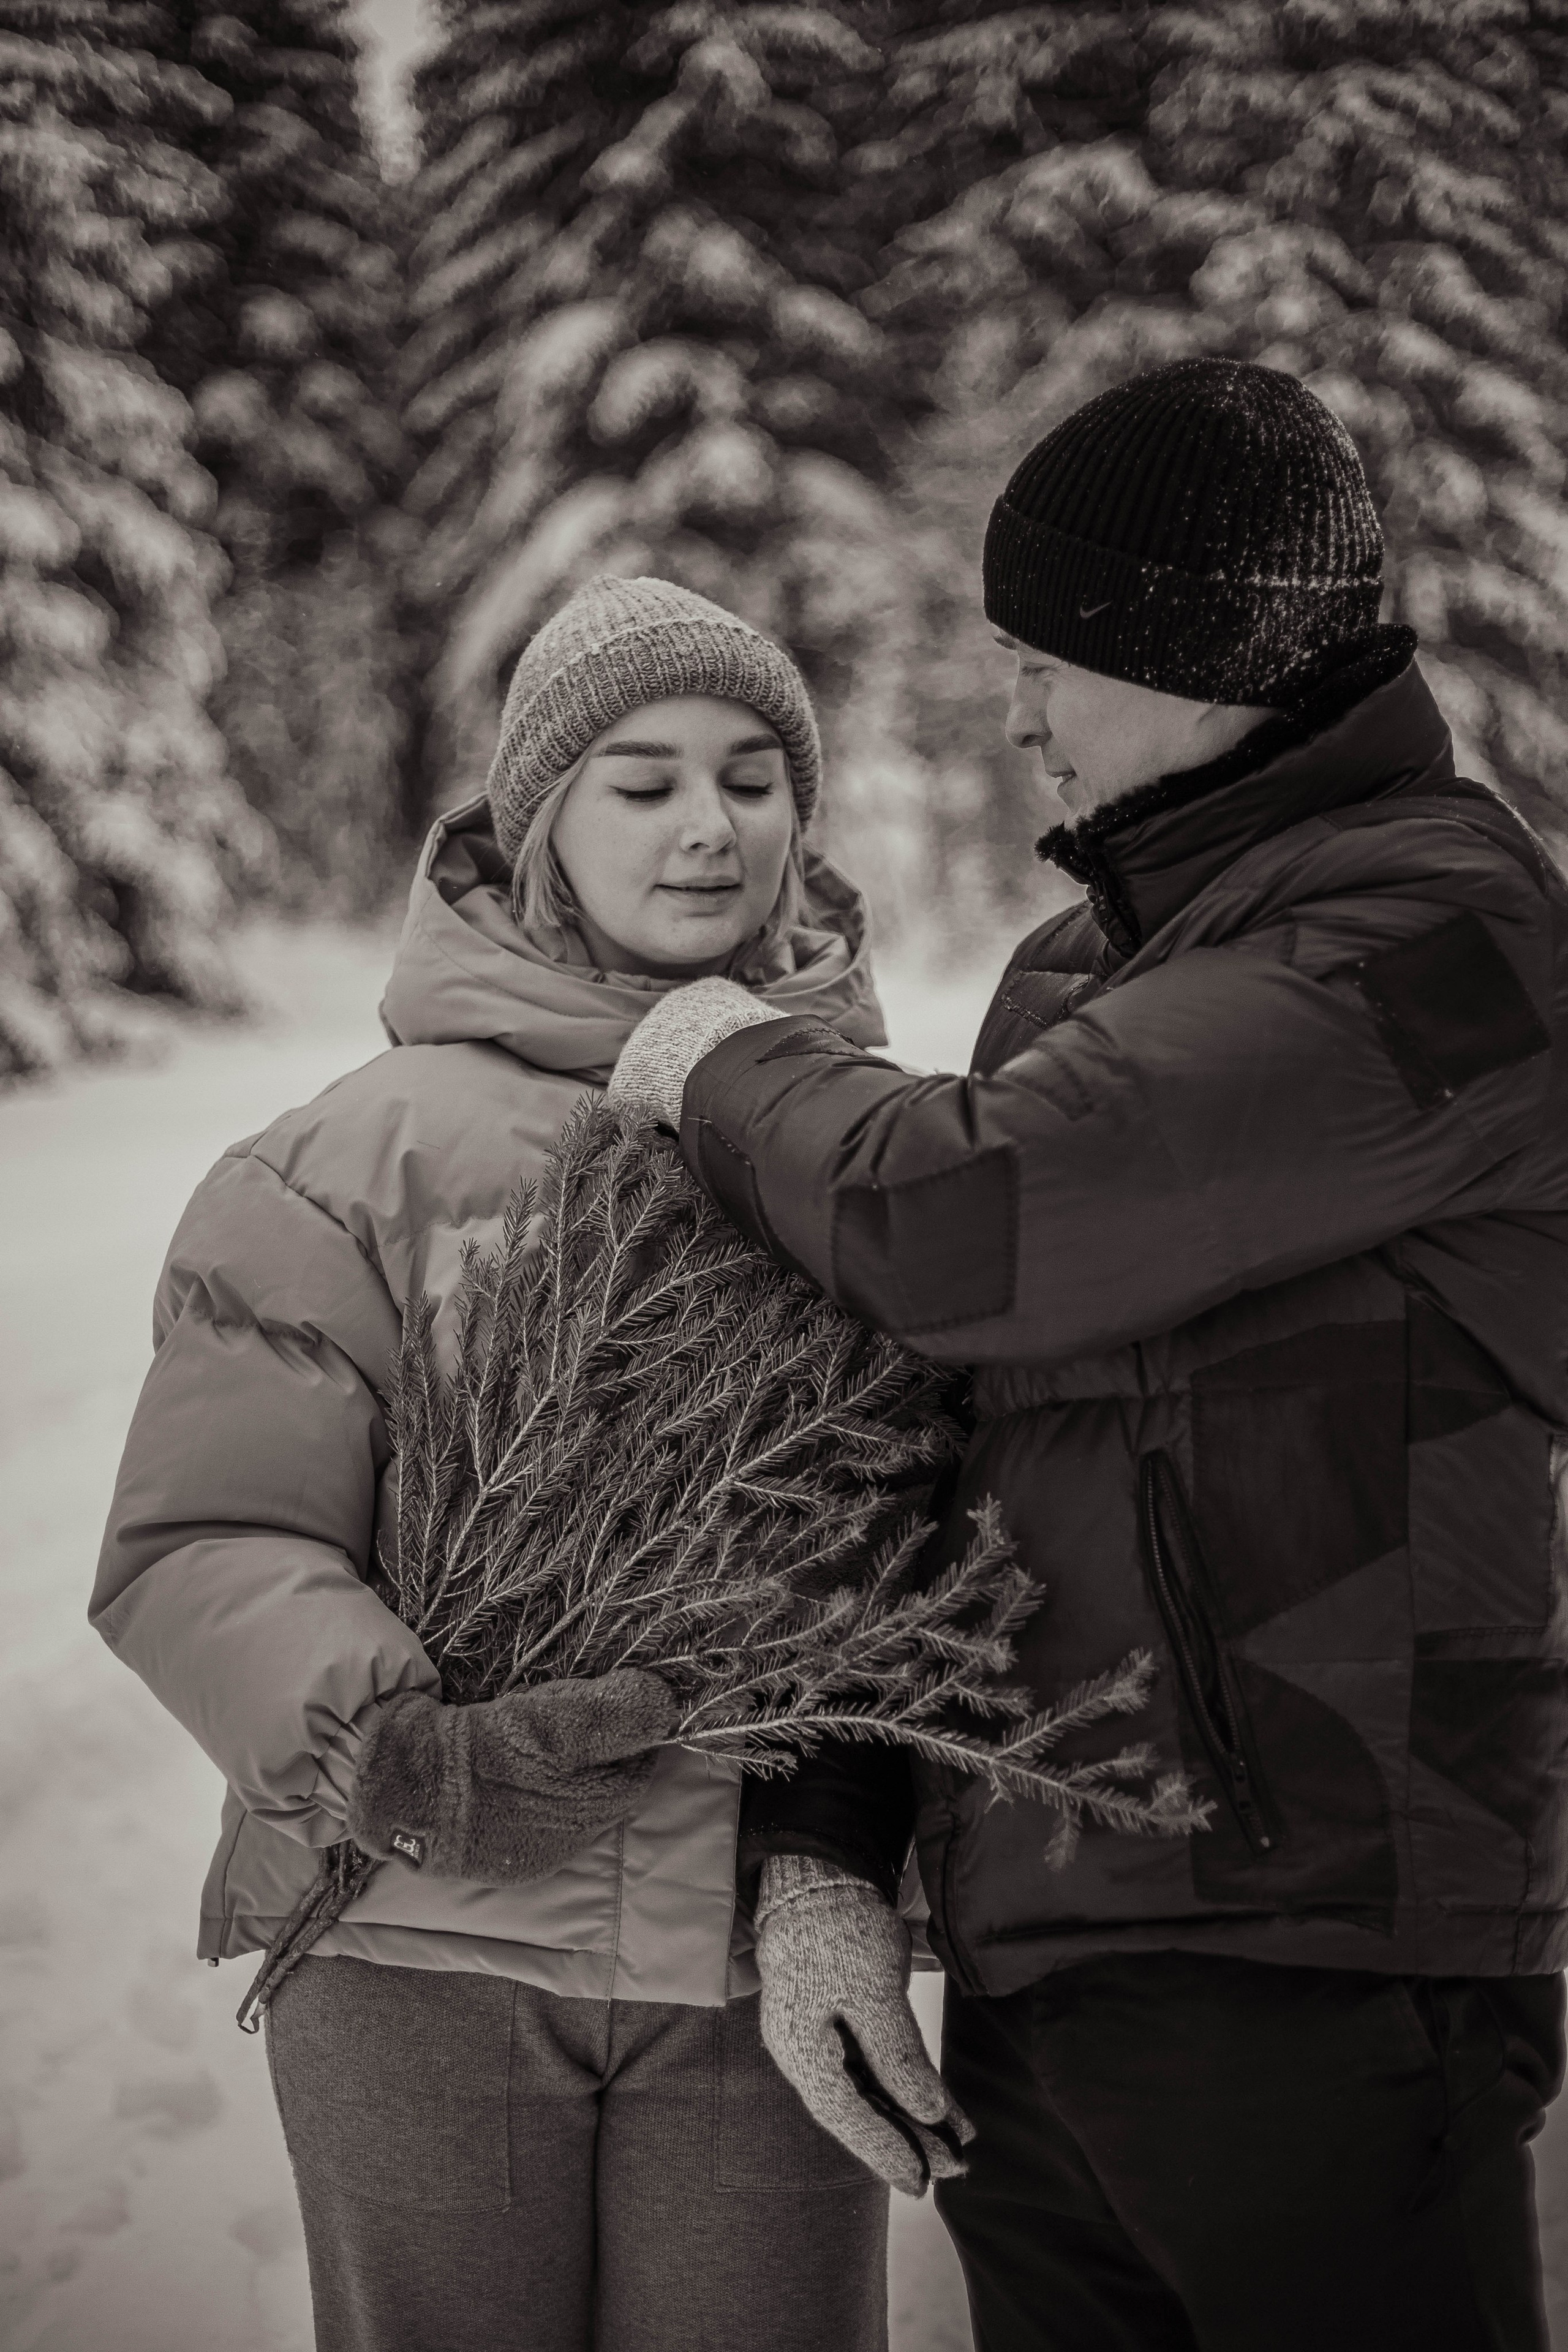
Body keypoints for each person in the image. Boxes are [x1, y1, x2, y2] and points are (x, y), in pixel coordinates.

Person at [608, 359, 1568, 2351]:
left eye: (1054, 657)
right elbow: (937, 1466)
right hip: (1051, 1964)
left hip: (1322, 1962)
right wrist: (828, 1858)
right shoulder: (1086, 972)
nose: (1018, 708)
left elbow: (956, 1233)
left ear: (1208, 649)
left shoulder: (1440, 941)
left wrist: (716, 1055)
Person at [90, 576, 909, 2352]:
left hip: (753, 1970)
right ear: (541, 816)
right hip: (422, 1946)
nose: (711, 825)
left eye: (756, 775)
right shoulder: (351, 1158)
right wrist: (393, 1757)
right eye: (644, 778)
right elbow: (210, 1537)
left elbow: (931, 1543)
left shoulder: (873, 1151)